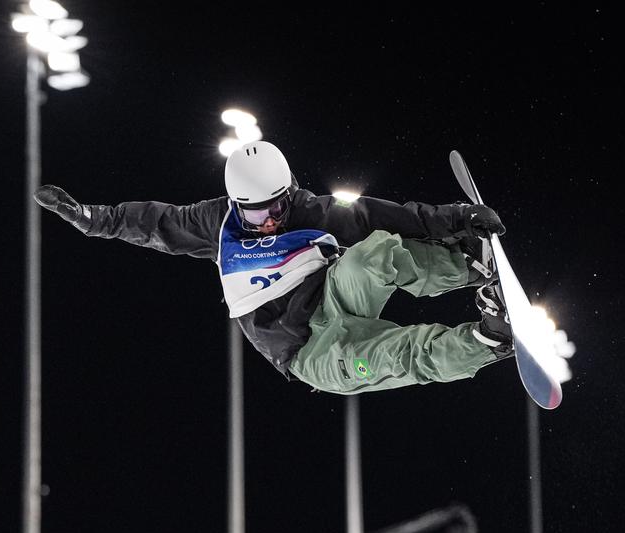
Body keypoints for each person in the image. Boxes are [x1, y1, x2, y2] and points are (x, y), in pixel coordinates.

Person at [35, 141, 512, 395]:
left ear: (288, 192)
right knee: (395, 355)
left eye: (277, 206)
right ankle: (485, 340)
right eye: (257, 212)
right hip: (309, 351)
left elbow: (373, 215)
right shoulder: (215, 224)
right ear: (236, 204)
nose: (269, 220)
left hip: (334, 296)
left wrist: (453, 219)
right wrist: (93, 219)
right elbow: (156, 222)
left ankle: (470, 266)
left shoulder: (305, 209)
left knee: (376, 251)